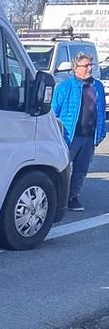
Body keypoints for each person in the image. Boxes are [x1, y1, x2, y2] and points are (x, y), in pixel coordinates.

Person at [51, 50, 106, 211]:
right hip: (69, 136)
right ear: (75, 68)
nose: (89, 68)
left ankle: (73, 197)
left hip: (89, 136)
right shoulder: (65, 87)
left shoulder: (97, 86)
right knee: (62, 169)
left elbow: (101, 111)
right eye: (86, 65)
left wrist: (101, 132)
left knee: (81, 170)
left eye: (91, 65)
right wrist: (57, 134)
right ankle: (56, 198)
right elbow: (53, 113)